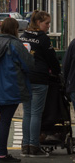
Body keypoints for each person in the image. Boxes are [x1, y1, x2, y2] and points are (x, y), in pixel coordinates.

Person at [0, 17, 34, 162]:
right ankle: (2, 155)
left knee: (3, 121)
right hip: (12, 87)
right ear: (14, 29)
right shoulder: (15, 45)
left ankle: (2, 154)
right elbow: (29, 64)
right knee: (5, 121)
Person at [19, 10, 60, 157]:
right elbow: (52, 59)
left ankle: (25, 145)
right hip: (39, 78)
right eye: (46, 23)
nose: (48, 26)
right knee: (36, 113)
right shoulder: (43, 38)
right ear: (38, 23)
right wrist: (57, 72)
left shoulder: (23, 36)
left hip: (25, 78)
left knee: (27, 113)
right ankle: (34, 146)